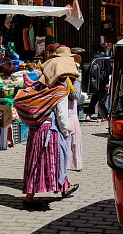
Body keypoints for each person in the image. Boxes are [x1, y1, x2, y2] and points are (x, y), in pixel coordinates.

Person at [20, 55, 80, 209]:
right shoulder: (60, 91)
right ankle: (29, 198)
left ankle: (62, 187)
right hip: (49, 132)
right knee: (49, 162)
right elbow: (62, 117)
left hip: (36, 131)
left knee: (35, 162)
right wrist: (65, 133)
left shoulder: (40, 88)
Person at [85, 43, 111, 122]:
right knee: (102, 99)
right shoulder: (106, 58)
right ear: (106, 49)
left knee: (94, 98)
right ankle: (100, 116)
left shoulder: (95, 57)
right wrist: (107, 82)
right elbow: (107, 70)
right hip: (103, 81)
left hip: (95, 81)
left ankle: (88, 115)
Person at [67, 72, 83, 171]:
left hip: (71, 115)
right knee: (72, 142)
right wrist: (77, 82)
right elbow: (76, 95)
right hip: (69, 115)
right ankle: (71, 164)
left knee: (72, 142)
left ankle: (72, 163)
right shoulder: (68, 84)